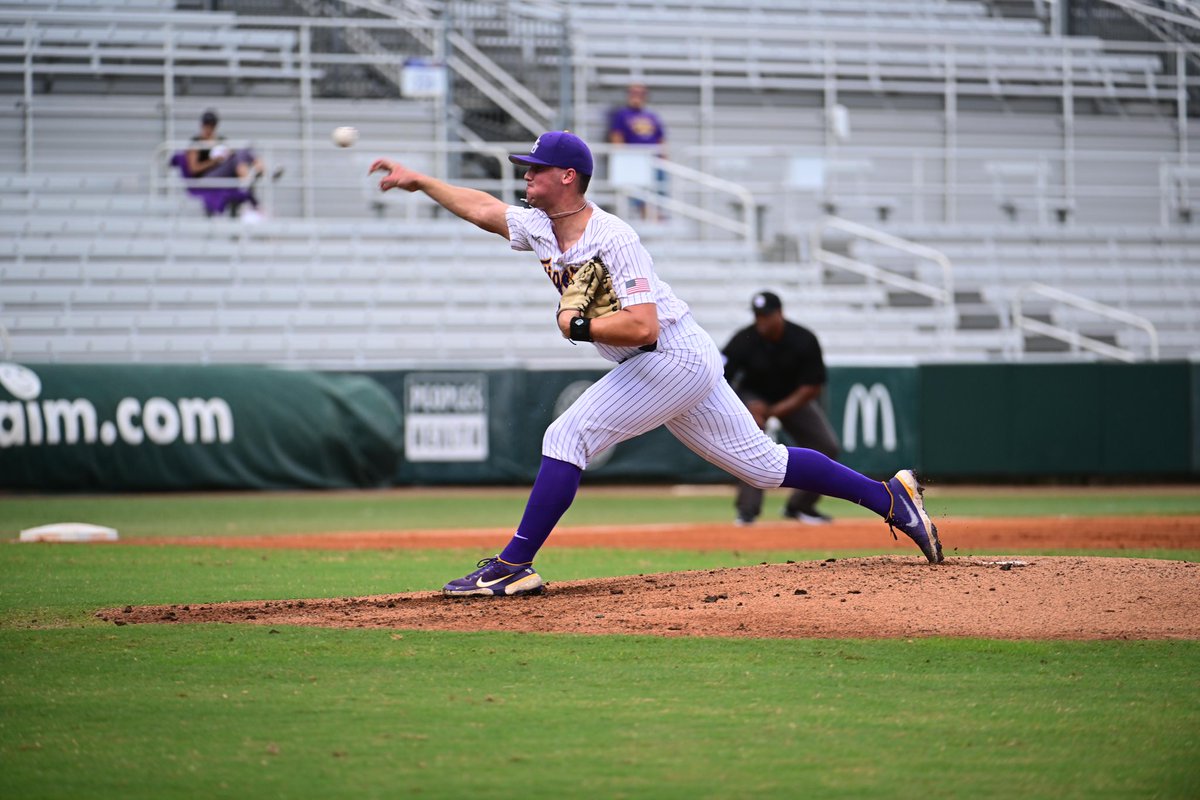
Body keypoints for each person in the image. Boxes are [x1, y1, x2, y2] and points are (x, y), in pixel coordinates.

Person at [368, 131, 943, 597]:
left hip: (671, 354)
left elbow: (642, 326)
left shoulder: (613, 237)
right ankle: (890, 498)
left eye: (535, 169)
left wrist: (579, 327)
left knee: (566, 435)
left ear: (567, 176)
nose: (526, 176)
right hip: (670, 360)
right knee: (765, 467)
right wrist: (421, 182)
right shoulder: (541, 227)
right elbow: (485, 209)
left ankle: (514, 565)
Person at [723, 291, 840, 526]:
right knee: (751, 443)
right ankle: (747, 511)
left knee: (827, 446)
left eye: (766, 315)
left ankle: (799, 506)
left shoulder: (803, 339)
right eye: (757, 315)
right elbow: (719, 377)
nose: (761, 321)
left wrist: (774, 411)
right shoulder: (743, 339)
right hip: (754, 398)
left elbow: (812, 387)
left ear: (779, 313)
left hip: (792, 398)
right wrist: (746, 406)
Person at [183, 109, 278, 218]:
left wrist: (227, 156)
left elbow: (232, 156)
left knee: (245, 151)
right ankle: (252, 178)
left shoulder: (220, 140)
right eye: (207, 125)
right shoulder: (196, 142)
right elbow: (194, 168)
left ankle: (260, 174)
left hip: (225, 173)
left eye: (212, 125)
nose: (209, 128)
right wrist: (213, 161)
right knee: (240, 155)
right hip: (207, 178)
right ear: (202, 125)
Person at [606, 83, 667, 219]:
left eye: (640, 93)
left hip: (652, 159)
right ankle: (645, 215)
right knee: (637, 193)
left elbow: (660, 138)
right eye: (633, 93)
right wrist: (622, 157)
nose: (637, 96)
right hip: (633, 160)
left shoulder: (652, 116)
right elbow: (617, 136)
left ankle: (654, 215)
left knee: (656, 190)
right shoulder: (622, 115)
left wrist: (664, 157)